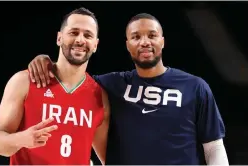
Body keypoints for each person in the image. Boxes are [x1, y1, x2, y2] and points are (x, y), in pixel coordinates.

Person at [27, 13, 229, 165]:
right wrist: (45, 61)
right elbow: (70, 78)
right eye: (136, 37)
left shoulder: (195, 87)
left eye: (152, 35)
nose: (144, 42)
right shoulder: (110, 84)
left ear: (163, 41)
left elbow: (214, 147)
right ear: (127, 45)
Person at [0, 7, 110, 165]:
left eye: (87, 35)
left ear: (95, 45)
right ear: (59, 38)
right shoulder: (25, 81)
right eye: (74, 32)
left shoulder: (100, 96)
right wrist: (22, 139)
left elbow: (108, 159)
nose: (80, 40)